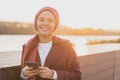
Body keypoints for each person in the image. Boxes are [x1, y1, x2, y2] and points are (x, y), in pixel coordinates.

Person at [20, 6, 81, 80]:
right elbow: (22, 72)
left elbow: (77, 76)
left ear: (55, 25)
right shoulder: (27, 46)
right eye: (41, 19)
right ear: (36, 23)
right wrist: (23, 74)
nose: (45, 23)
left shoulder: (66, 46)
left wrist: (54, 74)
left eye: (50, 21)